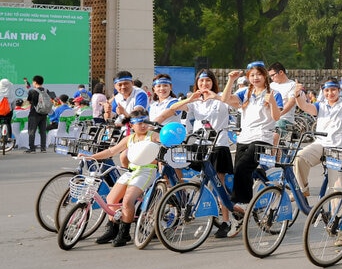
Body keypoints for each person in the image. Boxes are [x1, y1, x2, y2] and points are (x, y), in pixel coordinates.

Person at [166, 69, 238, 235]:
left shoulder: (220, 99)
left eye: (208, 81)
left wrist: (221, 91)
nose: (204, 84)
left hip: (218, 144)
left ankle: (227, 220)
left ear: (213, 83)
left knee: (218, 184)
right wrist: (190, 98)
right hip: (199, 145)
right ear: (197, 83)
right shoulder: (195, 102)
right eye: (201, 81)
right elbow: (173, 109)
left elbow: (229, 101)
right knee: (200, 180)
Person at [294, 70, 342, 241]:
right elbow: (304, 106)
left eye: (333, 90)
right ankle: (304, 191)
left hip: (339, 150)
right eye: (326, 90)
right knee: (300, 157)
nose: (330, 93)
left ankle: (341, 229)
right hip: (321, 145)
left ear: (339, 91)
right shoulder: (320, 105)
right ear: (323, 92)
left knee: (337, 188)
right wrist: (297, 94)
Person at [221, 62, 283, 226]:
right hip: (244, 137)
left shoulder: (274, 93)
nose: (255, 78)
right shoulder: (245, 93)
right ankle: (263, 183)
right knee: (240, 171)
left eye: (259, 74)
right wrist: (231, 80)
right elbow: (225, 99)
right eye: (252, 75)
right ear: (248, 77)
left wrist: (272, 103)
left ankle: (244, 203)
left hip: (263, 137)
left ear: (265, 76)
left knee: (242, 167)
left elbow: (277, 118)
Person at [87, 107, 160, 247]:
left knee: (127, 201)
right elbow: (111, 151)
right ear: (131, 125)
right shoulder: (129, 138)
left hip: (147, 171)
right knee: (111, 199)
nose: (143, 125)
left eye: (145, 122)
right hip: (131, 171)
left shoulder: (153, 136)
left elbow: (165, 142)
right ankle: (112, 229)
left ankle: (124, 233)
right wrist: (91, 157)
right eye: (139, 122)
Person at [25, 75, 51, 152]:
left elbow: (29, 101)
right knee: (43, 131)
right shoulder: (46, 90)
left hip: (34, 114)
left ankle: (32, 148)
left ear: (35, 82)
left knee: (32, 131)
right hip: (44, 113)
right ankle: (43, 148)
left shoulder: (32, 91)